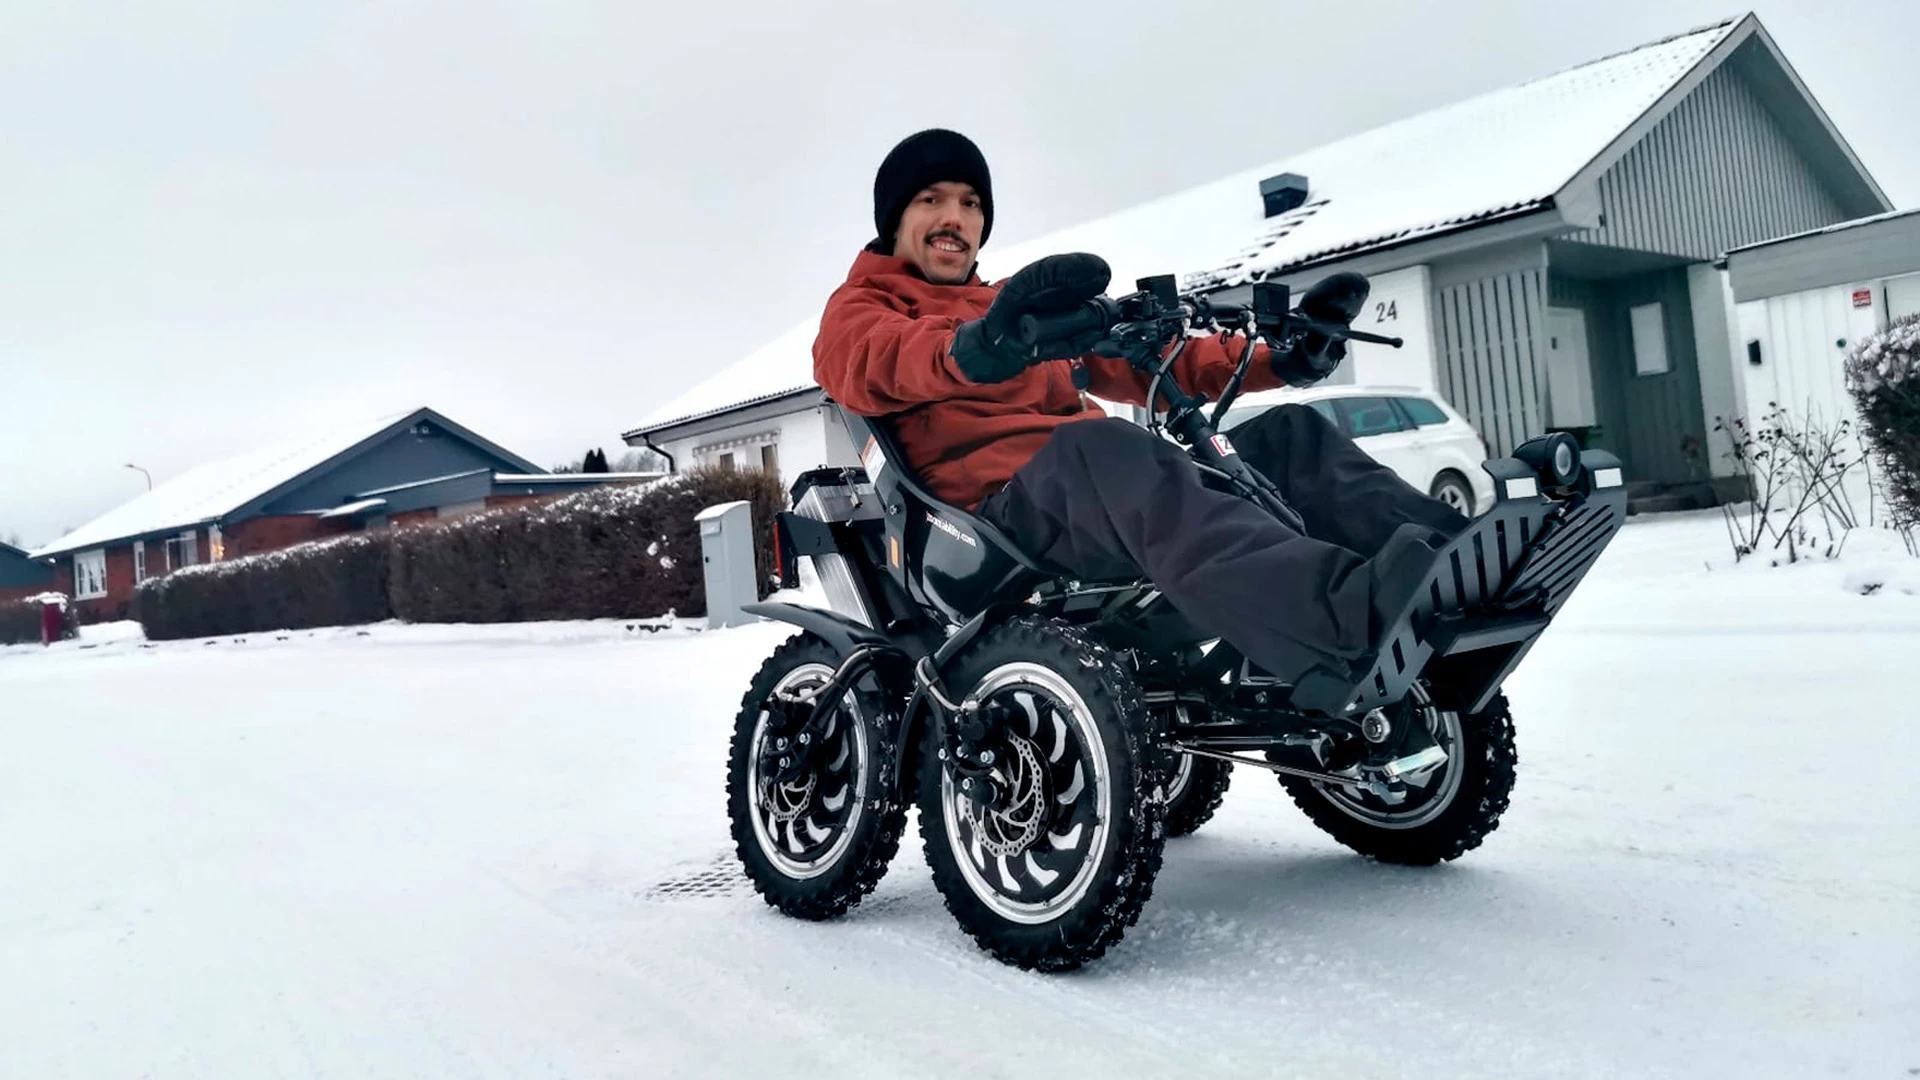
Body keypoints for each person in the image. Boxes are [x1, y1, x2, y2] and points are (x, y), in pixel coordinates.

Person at [812, 128, 1465, 684]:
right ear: (895, 220)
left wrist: (1283, 358)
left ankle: (1455, 566)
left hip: (1090, 492)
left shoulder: (1013, 305)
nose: (955, 217)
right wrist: (978, 348)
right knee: (1112, 451)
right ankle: (1340, 619)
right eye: (932, 200)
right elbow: (877, 358)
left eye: (971, 202)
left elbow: (1152, 357)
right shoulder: (863, 309)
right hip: (990, 519)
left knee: (1284, 440)